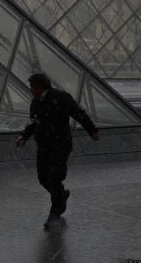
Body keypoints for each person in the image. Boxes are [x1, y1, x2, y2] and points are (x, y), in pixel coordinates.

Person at [15, 72, 100, 229]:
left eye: (35, 87)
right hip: (43, 146)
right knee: (43, 178)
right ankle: (61, 195)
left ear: (43, 86)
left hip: (60, 145)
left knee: (54, 177)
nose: (32, 90)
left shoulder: (60, 97)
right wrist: (23, 136)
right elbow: (33, 121)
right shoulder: (36, 101)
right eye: (31, 87)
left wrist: (92, 130)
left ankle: (55, 212)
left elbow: (78, 113)